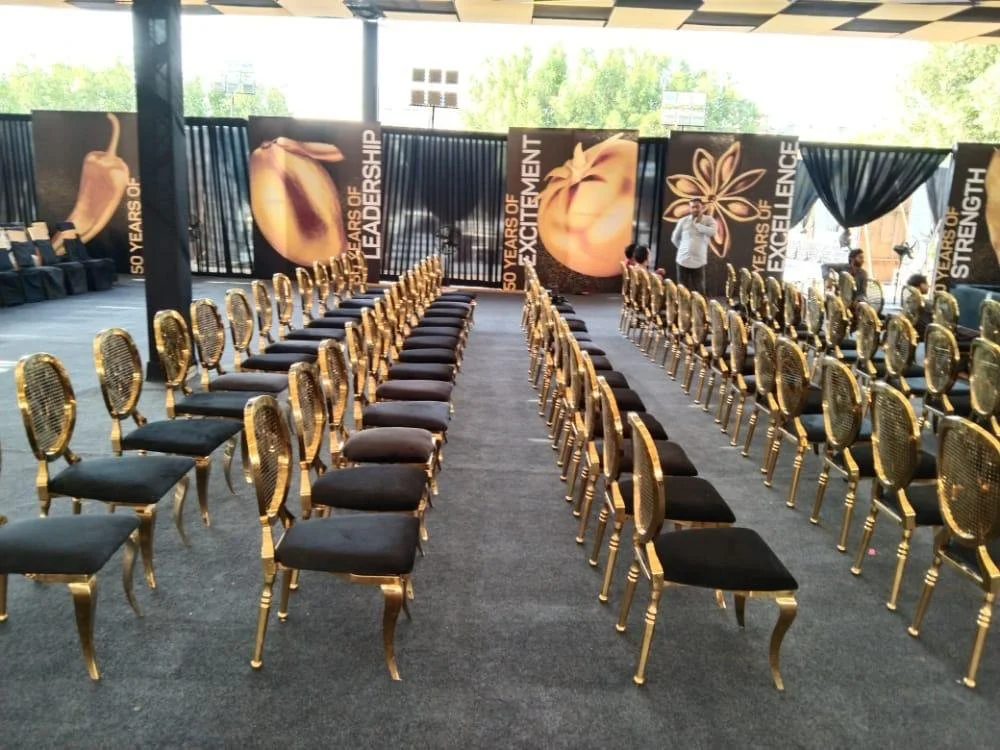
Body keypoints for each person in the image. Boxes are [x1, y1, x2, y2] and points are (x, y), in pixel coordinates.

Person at [671, 198, 717, 296]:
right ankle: (683, 310)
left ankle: (699, 310)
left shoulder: (708, 220)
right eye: (693, 207)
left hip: (698, 261)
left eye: (697, 207)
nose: (695, 209)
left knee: (699, 289)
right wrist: (683, 248)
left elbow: (712, 232)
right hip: (683, 260)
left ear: (702, 207)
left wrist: (699, 226)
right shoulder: (683, 221)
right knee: (682, 290)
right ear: (690, 208)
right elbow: (674, 238)